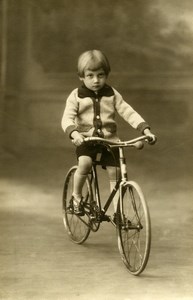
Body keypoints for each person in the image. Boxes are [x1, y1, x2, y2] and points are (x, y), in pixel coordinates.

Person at [61, 50, 156, 215]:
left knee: (116, 172)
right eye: (90, 75)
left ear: (106, 75)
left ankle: (117, 211)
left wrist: (145, 129)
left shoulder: (112, 94)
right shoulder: (76, 96)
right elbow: (66, 119)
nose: (96, 80)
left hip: (110, 140)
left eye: (100, 75)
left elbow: (128, 112)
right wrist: (75, 134)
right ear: (81, 77)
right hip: (86, 140)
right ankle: (76, 197)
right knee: (85, 163)